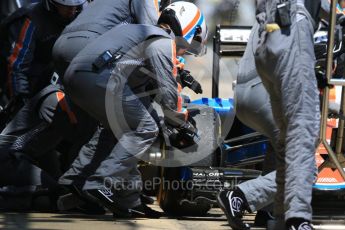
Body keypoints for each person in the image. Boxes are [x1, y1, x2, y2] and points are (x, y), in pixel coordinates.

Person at [59, 1, 208, 218]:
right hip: (98, 78)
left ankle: (92, 185)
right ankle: (101, 183)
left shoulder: (138, 31)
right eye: (191, 44)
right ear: (186, 27)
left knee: (117, 129)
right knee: (145, 127)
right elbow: (168, 92)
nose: (186, 51)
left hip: (78, 76)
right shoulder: (162, 42)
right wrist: (183, 123)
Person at [217, 0, 325, 229]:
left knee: (283, 148)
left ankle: (269, 215)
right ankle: (242, 196)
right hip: (264, 85)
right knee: (304, 157)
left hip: (248, 88)